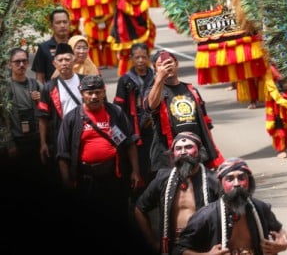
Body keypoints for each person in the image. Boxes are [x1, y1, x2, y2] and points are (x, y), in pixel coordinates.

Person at [56, 74, 143, 222]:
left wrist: (135, 171)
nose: (94, 96)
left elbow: (130, 143)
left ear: (104, 91)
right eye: (89, 93)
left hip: (114, 178)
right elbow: (63, 155)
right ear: (82, 93)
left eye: (98, 92)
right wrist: (67, 183)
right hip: (86, 180)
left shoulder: (116, 112)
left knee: (118, 214)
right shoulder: (71, 118)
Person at [173, 157, 287, 255]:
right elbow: (179, 250)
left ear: (250, 181)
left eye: (241, 178)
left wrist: (282, 245)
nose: (237, 184)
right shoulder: (206, 216)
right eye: (230, 179)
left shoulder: (260, 208)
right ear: (220, 184)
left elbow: (279, 231)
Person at [134, 131, 221, 254]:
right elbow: (139, 208)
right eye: (178, 148)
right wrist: (152, 241)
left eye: (188, 147)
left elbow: (229, 212)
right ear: (173, 154)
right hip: (172, 245)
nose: (183, 152)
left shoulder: (213, 180)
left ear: (199, 152)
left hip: (205, 245)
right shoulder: (163, 179)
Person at [144, 49, 224, 172]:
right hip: (169, 157)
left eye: (169, 62)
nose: (166, 66)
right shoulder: (154, 90)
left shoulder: (191, 90)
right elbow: (151, 106)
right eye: (160, 65)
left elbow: (206, 125)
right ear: (155, 69)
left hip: (196, 153)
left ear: (176, 64)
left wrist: (214, 154)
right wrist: (159, 78)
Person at [37, 42, 84, 176]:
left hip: (85, 133)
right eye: (60, 60)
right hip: (61, 136)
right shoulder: (49, 87)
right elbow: (43, 118)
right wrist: (43, 143)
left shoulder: (85, 81)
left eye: (67, 59)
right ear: (54, 64)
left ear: (74, 60)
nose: (64, 63)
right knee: (65, 170)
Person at [114, 42, 156, 190]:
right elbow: (118, 108)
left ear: (148, 58)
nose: (140, 61)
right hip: (133, 130)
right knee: (136, 163)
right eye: (137, 57)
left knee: (154, 161)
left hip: (154, 129)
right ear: (131, 58)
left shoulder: (156, 77)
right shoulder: (125, 80)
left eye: (143, 57)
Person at [6, 47, 43, 170]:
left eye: (24, 61)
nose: (21, 64)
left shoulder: (36, 84)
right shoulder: (4, 88)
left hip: (37, 139)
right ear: (9, 64)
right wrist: (10, 143)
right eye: (17, 62)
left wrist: (40, 100)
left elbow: (48, 111)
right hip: (17, 141)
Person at [31, 7, 72, 84]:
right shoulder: (44, 48)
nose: (62, 25)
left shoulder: (75, 45)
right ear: (51, 26)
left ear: (69, 23)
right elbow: (40, 78)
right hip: (53, 93)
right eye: (58, 23)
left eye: (65, 22)